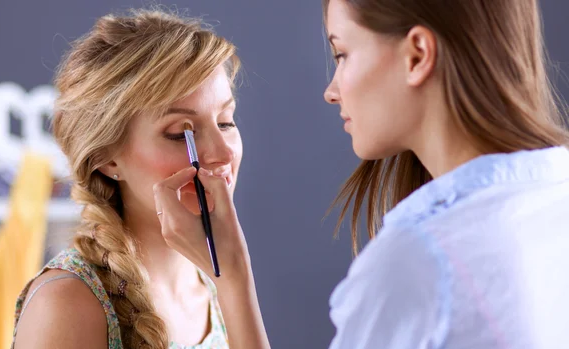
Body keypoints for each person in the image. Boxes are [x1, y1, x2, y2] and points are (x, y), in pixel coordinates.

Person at [153, 0, 569, 348]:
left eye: (342, 54)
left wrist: (232, 274)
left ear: (418, 55)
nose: (331, 90)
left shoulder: (419, 263)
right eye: (178, 133)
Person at [12, 8, 245, 349]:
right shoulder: (67, 303)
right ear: (107, 160)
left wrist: (236, 283)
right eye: (182, 134)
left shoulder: (215, 288)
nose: (223, 154)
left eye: (226, 122)